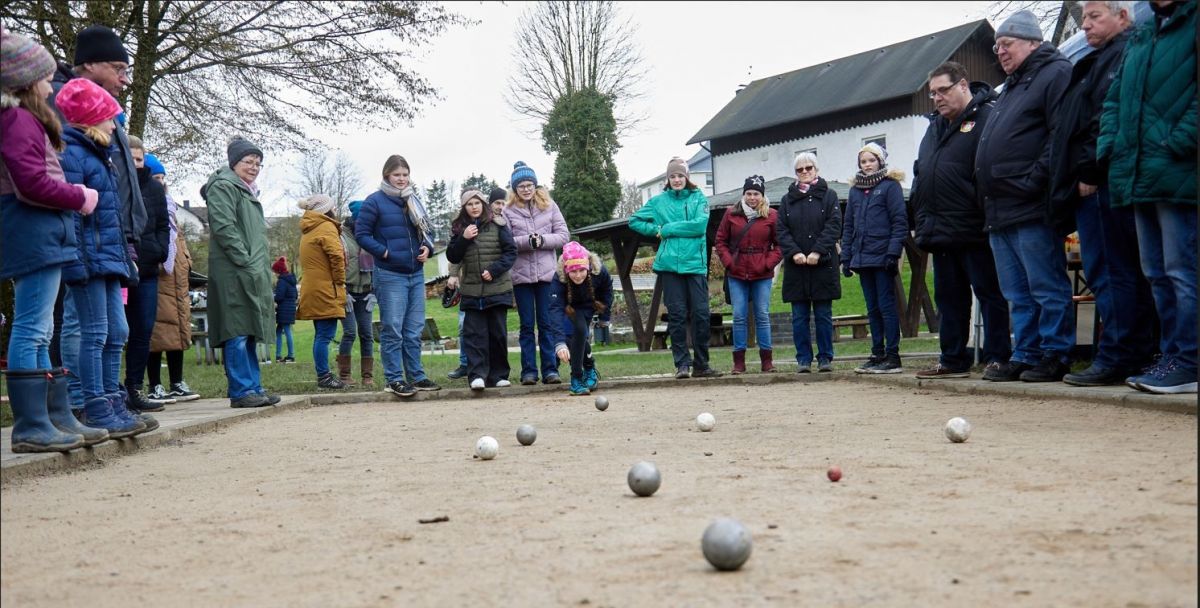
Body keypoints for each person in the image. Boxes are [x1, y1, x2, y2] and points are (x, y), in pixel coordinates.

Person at [1, 27, 107, 452]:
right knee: (31, 328)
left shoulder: (23, 118)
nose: (52, 83)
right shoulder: (19, 119)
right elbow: (31, 182)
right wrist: (81, 196)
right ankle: (31, 424)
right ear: (27, 80)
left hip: (40, 233)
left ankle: (53, 417)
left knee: (41, 329)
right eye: (45, 75)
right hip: (32, 231)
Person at [1049, 2, 1156, 388]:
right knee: (1108, 271)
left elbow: (1103, 119)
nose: (1087, 24)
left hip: (1101, 182)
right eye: (1085, 18)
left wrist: (1090, 170)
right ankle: (1125, 350)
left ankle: (1119, 354)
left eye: (1095, 16)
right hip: (1091, 182)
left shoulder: (1121, 55)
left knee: (1113, 270)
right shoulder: (1097, 59)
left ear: (1123, 17)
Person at [1098, 0, 1196, 394]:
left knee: (1183, 271)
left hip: (1179, 169)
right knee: (1156, 273)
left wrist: (1179, 142)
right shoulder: (1143, 31)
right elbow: (1115, 97)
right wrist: (1110, 145)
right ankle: (1172, 356)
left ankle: (1190, 360)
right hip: (1137, 172)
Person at [975, 10, 1075, 383]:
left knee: (1045, 286)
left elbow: (1059, 134)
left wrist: (1036, 179)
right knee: (1016, 291)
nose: (1000, 51)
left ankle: (1055, 353)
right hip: (999, 208)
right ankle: (1026, 353)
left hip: (1030, 203)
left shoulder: (1054, 73)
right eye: (997, 45)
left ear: (1033, 42)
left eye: (1007, 44)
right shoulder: (1013, 85)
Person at [56, 77, 152, 437]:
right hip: (88, 259)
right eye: (110, 118)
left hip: (109, 257)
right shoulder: (72, 153)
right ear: (93, 117)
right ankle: (95, 403)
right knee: (94, 333)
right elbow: (72, 213)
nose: (115, 125)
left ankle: (113, 398)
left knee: (118, 331)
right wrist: (76, 261)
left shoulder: (101, 155)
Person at [910, 62, 1013, 379]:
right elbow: (922, 171)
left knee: (990, 294)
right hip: (939, 230)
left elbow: (991, 170)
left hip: (975, 226)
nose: (937, 98)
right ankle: (953, 359)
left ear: (964, 85)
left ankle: (999, 357)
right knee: (948, 298)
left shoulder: (987, 118)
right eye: (933, 93)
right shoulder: (934, 127)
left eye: (943, 90)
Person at [355, 154, 441, 397]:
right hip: (391, 274)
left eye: (405, 175)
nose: (402, 179)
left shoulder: (413, 201)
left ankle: (417, 375)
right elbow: (362, 234)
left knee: (413, 329)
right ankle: (394, 378)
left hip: (416, 273)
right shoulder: (375, 201)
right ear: (387, 176)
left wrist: (428, 247)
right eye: (397, 175)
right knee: (393, 328)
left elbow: (428, 231)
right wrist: (384, 252)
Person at [629, 157, 722, 379]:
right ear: (668, 179)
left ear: (687, 177)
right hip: (670, 267)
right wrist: (655, 231)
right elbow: (634, 220)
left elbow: (699, 227)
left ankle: (702, 364)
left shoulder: (699, 197)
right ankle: (681, 364)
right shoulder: (659, 202)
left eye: (680, 175)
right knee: (677, 316)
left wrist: (668, 228)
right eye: (673, 176)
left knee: (701, 314)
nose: (677, 179)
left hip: (695, 266)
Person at [203, 135, 279, 408]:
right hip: (233, 272)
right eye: (248, 161)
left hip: (249, 271)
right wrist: (245, 261)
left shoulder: (247, 191)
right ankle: (241, 390)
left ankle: (254, 387)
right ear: (234, 162)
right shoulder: (224, 187)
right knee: (236, 329)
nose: (254, 166)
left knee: (248, 329)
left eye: (258, 163)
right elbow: (225, 228)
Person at [843, 143, 907, 374]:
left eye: (871, 160)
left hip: (883, 256)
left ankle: (892, 355)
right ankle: (877, 352)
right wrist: (846, 257)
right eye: (863, 161)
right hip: (862, 257)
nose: (867, 165)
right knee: (872, 308)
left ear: (880, 161)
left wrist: (893, 252)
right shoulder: (855, 191)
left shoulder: (890, 186)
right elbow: (848, 225)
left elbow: (899, 222)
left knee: (886, 306)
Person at [506, 161, 571, 385]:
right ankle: (529, 371)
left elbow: (563, 235)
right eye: (521, 185)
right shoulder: (508, 211)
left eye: (529, 184)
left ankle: (551, 369)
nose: (526, 189)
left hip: (546, 275)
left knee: (546, 323)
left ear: (535, 185)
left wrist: (542, 240)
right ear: (515, 189)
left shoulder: (549, 206)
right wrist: (527, 242)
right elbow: (505, 242)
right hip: (521, 277)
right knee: (526, 326)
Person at [777, 152, 842, 373]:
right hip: (797, 267)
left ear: (816, 169)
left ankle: (825, 358)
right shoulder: (787, 200)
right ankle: (803, 359)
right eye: (800, 169)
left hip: (822, 265)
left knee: (823, 315)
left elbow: (834, 225)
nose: (805, 172)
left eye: (809, 168)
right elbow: (782, 230)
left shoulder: (829, 195)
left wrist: (817, 251)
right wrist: (794, 252)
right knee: (799, 317)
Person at [445, 189, 517, 390]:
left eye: (477, 203)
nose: (474, 207)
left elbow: (511, 252)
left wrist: (494, 270)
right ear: (464, 208)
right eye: (469, 204)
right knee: (474, 335)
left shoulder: (498, 224)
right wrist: (464, 238)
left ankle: (499, 375)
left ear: (483, 204)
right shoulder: (459, 228)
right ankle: (477, 375)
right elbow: (453, 256)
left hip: (497, 288)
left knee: (497, 334)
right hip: (472, 291)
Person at [144, 154, 200, 402]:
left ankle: (177, 380)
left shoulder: (171, 208)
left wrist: (186, 263)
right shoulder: (147, 205)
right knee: (156, 334)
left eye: (163, 178)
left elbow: (179, 242)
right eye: (156, 177)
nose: (161, 182)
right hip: (159, 278)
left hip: (177, 281)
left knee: (178, 331)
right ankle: (154, 384)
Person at [122, 135, 172, 412]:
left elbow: (164, 224)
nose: (135, 163)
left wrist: (161, 250)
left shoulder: (153, 188)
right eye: (130, 158)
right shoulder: (115, 183)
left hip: (148, 269)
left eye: (139, 159)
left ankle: (134, 387)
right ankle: (111, 389)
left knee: (143, 329)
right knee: (117, 331)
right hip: (121, 268)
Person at [715, 175, 782, 374]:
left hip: (761, 272)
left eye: (756, 194)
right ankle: (739, 361)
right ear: (743, 195)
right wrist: (729, 262)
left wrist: (768, 263)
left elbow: (780, 245)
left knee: (762, 314)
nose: (752, 197)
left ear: (762, 196)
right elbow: (720, 241)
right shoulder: (731, 214)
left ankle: (766, 360)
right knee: (739, 315)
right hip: (737, 272)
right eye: (749, 193)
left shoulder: (772, 215)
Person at [296, 194, 348, 389]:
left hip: (312, 286)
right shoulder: (326, 226)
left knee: (321, 335)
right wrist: (340, 282)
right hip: (326, 288)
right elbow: (336, 256)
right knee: (325, 335)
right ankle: (324, 377)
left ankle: (323, 375)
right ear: (327, 209)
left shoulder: (309, 229)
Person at [549, 241, 614, 395]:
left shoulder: (599, 271)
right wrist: (559, 343)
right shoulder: (559, 278)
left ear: (588, 267)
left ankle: (582, 374)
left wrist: (604, 316)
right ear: (566, 271)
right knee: (573, 336)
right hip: (568, 305)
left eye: (581, 270)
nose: (578, 276)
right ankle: (582, 374)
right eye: (573, 272)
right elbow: (555, 309)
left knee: (579, 333)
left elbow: (607, 292)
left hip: (588, 304)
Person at [338, 200, 375, 388]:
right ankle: (344, 375)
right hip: (348, 292)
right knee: (350, 332)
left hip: (366, 293)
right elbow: (336, 265)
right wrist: (342, 291)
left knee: (367, 334)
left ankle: (367, 376)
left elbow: (378, 265)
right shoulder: (341, 235)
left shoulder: (371, 235)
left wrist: (375, 292)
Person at [272, 256, 297, 363]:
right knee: (279, 331)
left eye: (275, 272)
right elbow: (295, 295)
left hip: (283, 309)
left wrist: (272, 296)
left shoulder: (282, 281)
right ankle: (278, 355)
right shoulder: (291, 280)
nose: (275, 274)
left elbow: (279, 297)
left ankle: (291, 355)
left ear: (279, 271)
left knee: (287, 331)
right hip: (290, 308)